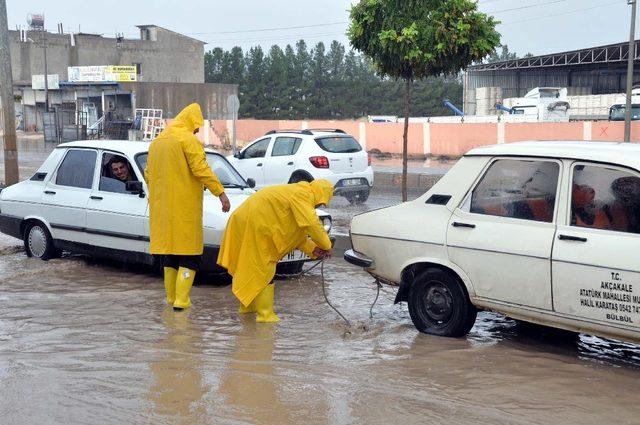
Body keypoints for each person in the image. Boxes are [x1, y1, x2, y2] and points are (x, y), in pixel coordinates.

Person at [145, 103, 231, 311]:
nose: (196, 131)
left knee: (170, 254)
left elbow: (148, 174)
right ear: (192, 122)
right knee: (190, 255)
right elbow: (201, 168)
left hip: (162, 210)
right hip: (184, 208)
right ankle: (182, 301)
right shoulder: (187, 140)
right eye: (197, 127)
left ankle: (171, 299)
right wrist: (220, 192)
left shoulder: (157, 142)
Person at [217, 179, 333, 323]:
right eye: (322, 202)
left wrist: (314, 249)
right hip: (254, 224)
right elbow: (311, 223)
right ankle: (265, 316)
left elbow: (299, 235)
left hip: (248, 221)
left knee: (251, 267)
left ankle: (248, 310)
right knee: (263, 269)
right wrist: (327, 246)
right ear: (320, 194)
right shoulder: (303, 194)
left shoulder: (298, 193)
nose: (320, 205)